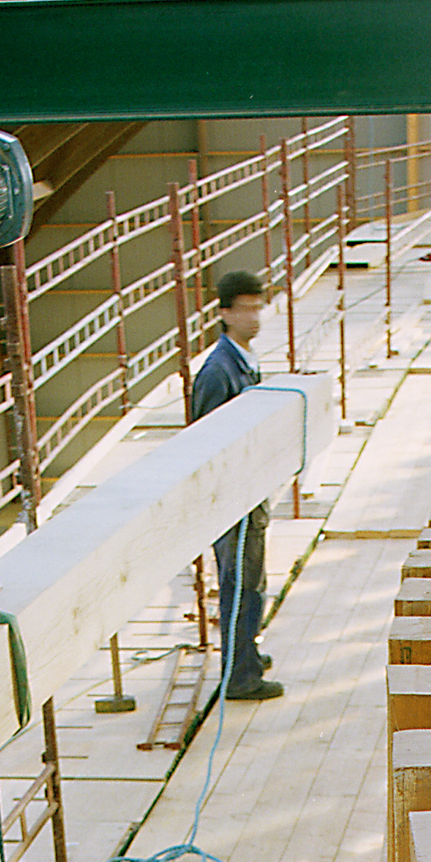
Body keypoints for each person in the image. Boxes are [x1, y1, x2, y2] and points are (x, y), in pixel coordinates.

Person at [190, 269, 284, 702]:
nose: (253, 316)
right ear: (224, 313)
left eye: (257, 306)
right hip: (234, 501)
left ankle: (244, 654)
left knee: (251, 582)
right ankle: (240, 675)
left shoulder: (243, 360)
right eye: (244, 308)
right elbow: (207, 444)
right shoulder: (218, 371)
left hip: (251, 492)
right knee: (240, 585)